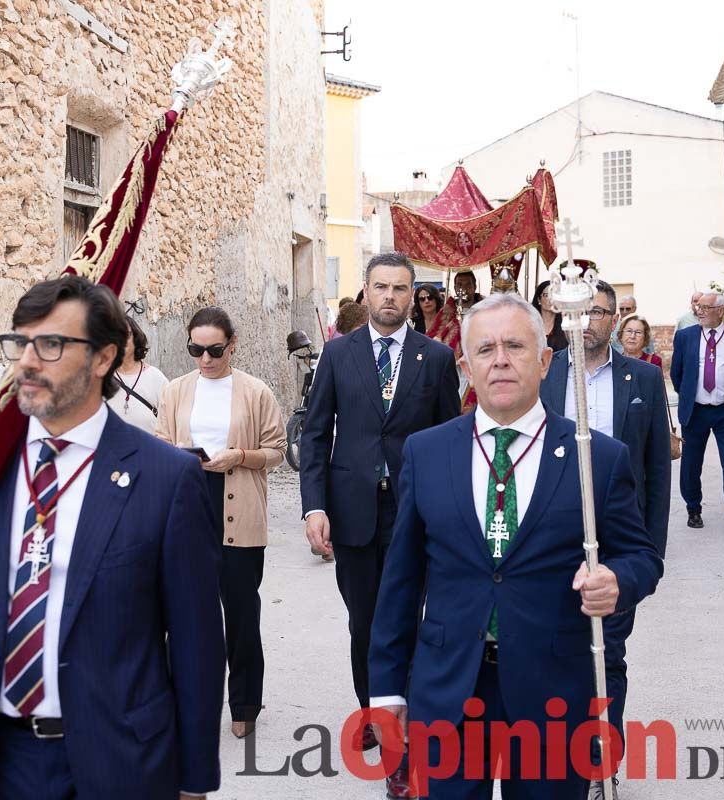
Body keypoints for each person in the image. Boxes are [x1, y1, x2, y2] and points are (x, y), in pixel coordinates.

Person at [368, 292, 663, 800]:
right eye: (484, 350)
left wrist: (619, 581)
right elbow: (401, 579)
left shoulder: (598, 457)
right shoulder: (427, 451)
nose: (500, 360)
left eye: (515, 346)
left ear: (546, 360)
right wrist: (388, 687)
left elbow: (642, 557)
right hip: (450, 687)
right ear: (465, 365)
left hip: (554, 690)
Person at [0, 275, 225, 798]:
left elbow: (197, 642)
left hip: (122, 758)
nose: (27, 361)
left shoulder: (166, 479)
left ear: (104, 358)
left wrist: (194, 777)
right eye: (19, 342)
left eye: (51, 345)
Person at [299, 252, 460, 798]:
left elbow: (450, 440)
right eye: (380, 287)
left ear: (413, 296)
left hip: (417, 511)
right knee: (365, 622)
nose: (390, 297)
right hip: (353, 512)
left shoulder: (434, 358)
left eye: (400, 288)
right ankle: (376, 712)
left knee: (417, 619)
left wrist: (453, 511)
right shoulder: (338, 355)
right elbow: (316, 435)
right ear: (365, 293)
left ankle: (415, 723)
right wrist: (313, 505)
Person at [539, 282, 669, 789]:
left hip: (617, 536)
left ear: (615, 320)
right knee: (554, 648)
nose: (587, 320)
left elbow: (657, 468)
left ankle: (601, 763)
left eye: (598, 312)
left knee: (607, 653)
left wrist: (650, 554)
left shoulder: (644, 380)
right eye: (579, 311)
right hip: (548, 532)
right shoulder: (545, 372)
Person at [155, 306, 286, 739]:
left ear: (232, 344)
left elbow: (276, 450)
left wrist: (239, 457)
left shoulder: (255, 391)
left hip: (240, 504)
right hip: (188, 505)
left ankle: (245, 703)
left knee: (242, 612)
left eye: (215, 349)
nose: (206, 358)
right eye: (196, 349)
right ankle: (188, 700)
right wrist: (176, 454)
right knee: (187, 613)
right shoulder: (175, 391)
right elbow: (159, 443)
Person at [670, 291, 724, 535]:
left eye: (706, 307)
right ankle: (693, 509)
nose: (700, 311)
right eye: (698, 307)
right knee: (692, 463)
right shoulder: (685, 337)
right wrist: (689, 396)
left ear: (721, 311)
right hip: (696, 411)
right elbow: (677, 374)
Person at [106, 314, 167, 435]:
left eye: (125, 335)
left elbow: (170, 422)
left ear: (136, 337)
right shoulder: (103, 378)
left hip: (148, 451)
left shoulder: (155, 378)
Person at [530, 280, 570, 352]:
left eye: (554, 295)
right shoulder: (530, 323)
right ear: (539, 299)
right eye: (547, 295)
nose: (551, 299)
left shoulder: (565, 324)